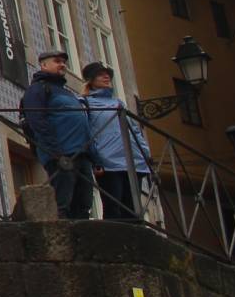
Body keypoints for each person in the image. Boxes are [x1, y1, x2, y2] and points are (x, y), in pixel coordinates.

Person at [20, 49, 94, 219]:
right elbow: (37, 120)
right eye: (57, 61)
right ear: (44, 65)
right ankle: (62, 236)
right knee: (63, 200)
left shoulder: (66, 91)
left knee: (84, 202)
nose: (62, 65)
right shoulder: (38, 89)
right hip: (61, 153)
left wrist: (92, 155)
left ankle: (80, 237)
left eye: (63, 62)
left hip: (80, 153)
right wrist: (55, 152)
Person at [80, 63, 152, 222]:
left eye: (108, 74)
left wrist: (145, 153)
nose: (107, 77)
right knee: (113, 207)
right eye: (101, 74)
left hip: (133, 161)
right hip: (108, 162)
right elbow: (86, 134)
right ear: (91, 80)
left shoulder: (118, 103)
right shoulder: (85, 103)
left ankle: (134, 244)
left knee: (133, 209)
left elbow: (134, 130)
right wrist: (96, 160)